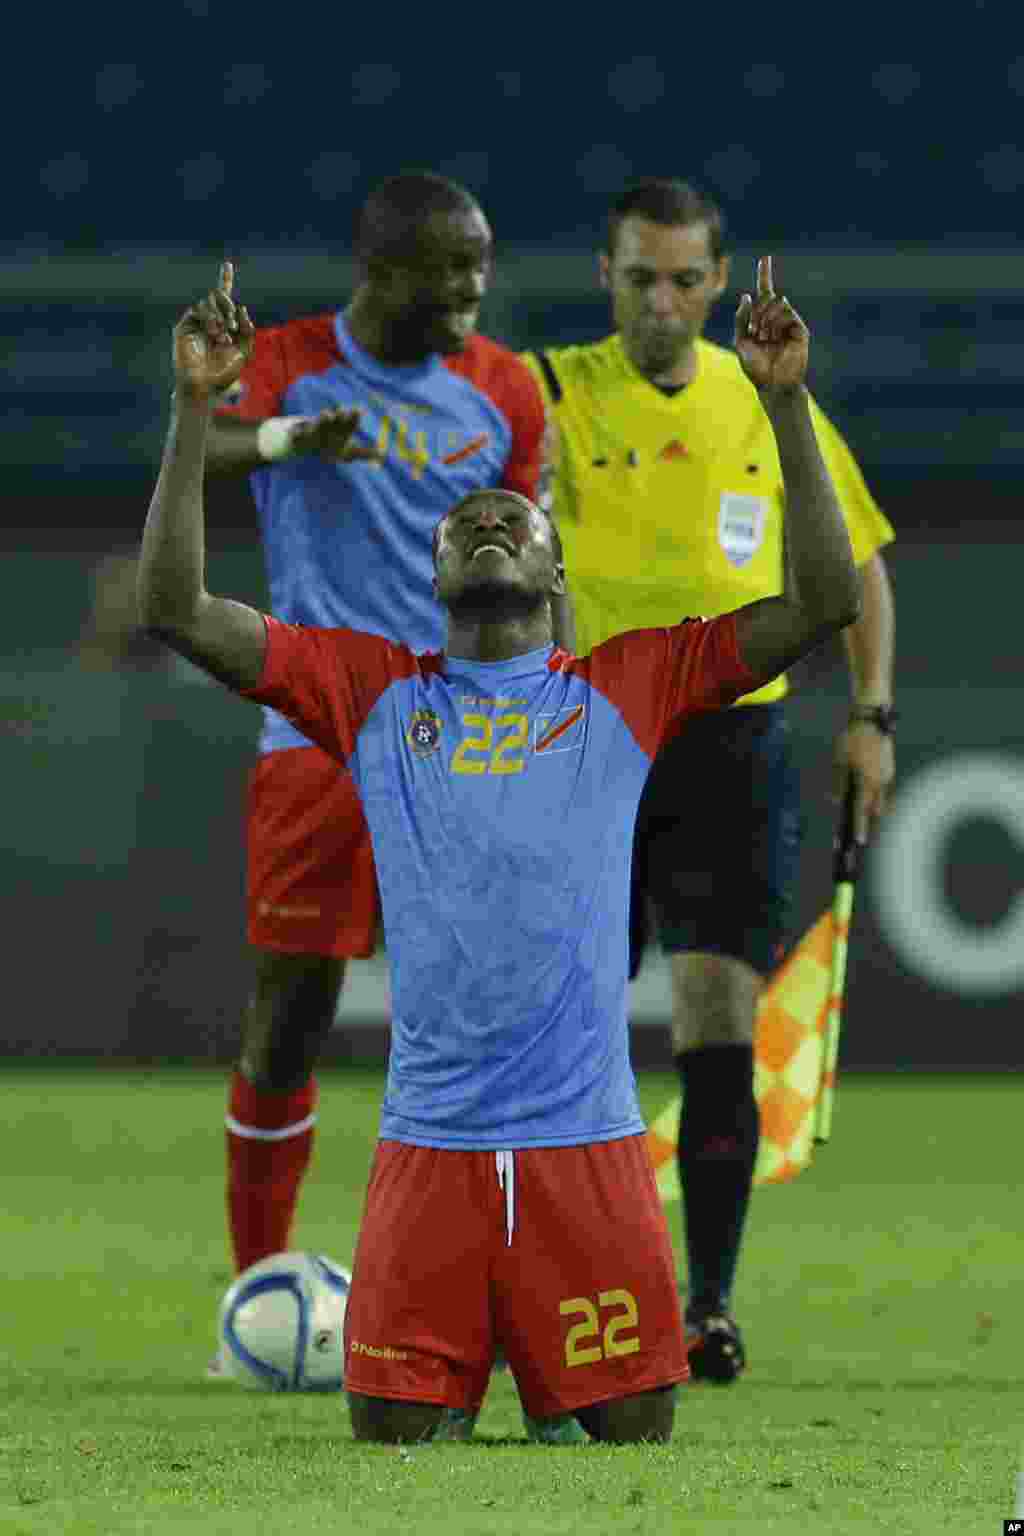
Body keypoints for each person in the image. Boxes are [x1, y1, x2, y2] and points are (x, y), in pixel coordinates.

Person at [138, 251, 860, 1443]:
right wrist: (191, 412)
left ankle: (555, 1374)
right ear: (431, 575)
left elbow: (822, 603)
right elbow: (175, 609)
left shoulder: (628, 684)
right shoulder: (368, 688)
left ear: (554, 569)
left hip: (590, 1153)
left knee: (632, 1433)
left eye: (511, 520)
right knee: (392, 1439)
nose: (486, 522)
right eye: (464, 522)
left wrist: (784, 404)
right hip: (429, 1154)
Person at [523, 178, 896, 1383]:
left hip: (731, 742)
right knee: (563, 1028)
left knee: (718, 1019)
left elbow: (857, 565)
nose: (662, 301)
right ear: (605, 275)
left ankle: (708, 1306)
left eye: (685, 280)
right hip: (583, 735)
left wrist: (871, 714)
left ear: (719, 281)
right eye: (640, 278)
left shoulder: (766, 400)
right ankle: (552, 1292)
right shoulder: (545, 393)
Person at [201, 173, 570, 1287]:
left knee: (485, 1022)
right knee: (292, 1014)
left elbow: (543, 568)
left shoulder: (504, 390)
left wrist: (558, 714)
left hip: (467, 740)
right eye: (446, 269)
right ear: (378, 269)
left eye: (480, 266)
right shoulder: (291, 360)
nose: (470, 289)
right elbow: (198, 447)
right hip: (317, 732)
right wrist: (287, 440)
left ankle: (491, 1285)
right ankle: (259, 1284)